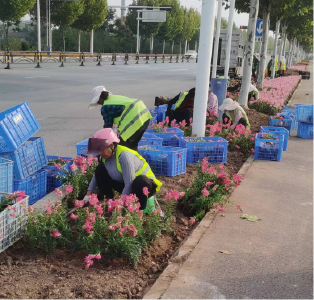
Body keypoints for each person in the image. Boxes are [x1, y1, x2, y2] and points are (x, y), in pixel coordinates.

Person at [85, 128, 162, 212]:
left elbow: (129, 183)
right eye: (97, 149)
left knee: (141, 181)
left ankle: (139, 210)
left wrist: (119, 205)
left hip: (144, 187)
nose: (99, 152)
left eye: (101, 149)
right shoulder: (104, 157)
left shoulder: (124, 156)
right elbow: (97, 175)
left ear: (111, 145)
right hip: (127, 184)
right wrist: (88, 194)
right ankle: (107, 200)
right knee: (100, 169)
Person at [89, 86, 152, 151]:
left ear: (100, 98)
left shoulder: (106, 107)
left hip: (135, 119)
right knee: (132, 145)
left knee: (122, 147)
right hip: (144, 116)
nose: (98, 103)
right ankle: (135, 159)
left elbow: (108, 129)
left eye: (98, 101)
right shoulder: (113, 98)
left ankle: (127, 160)